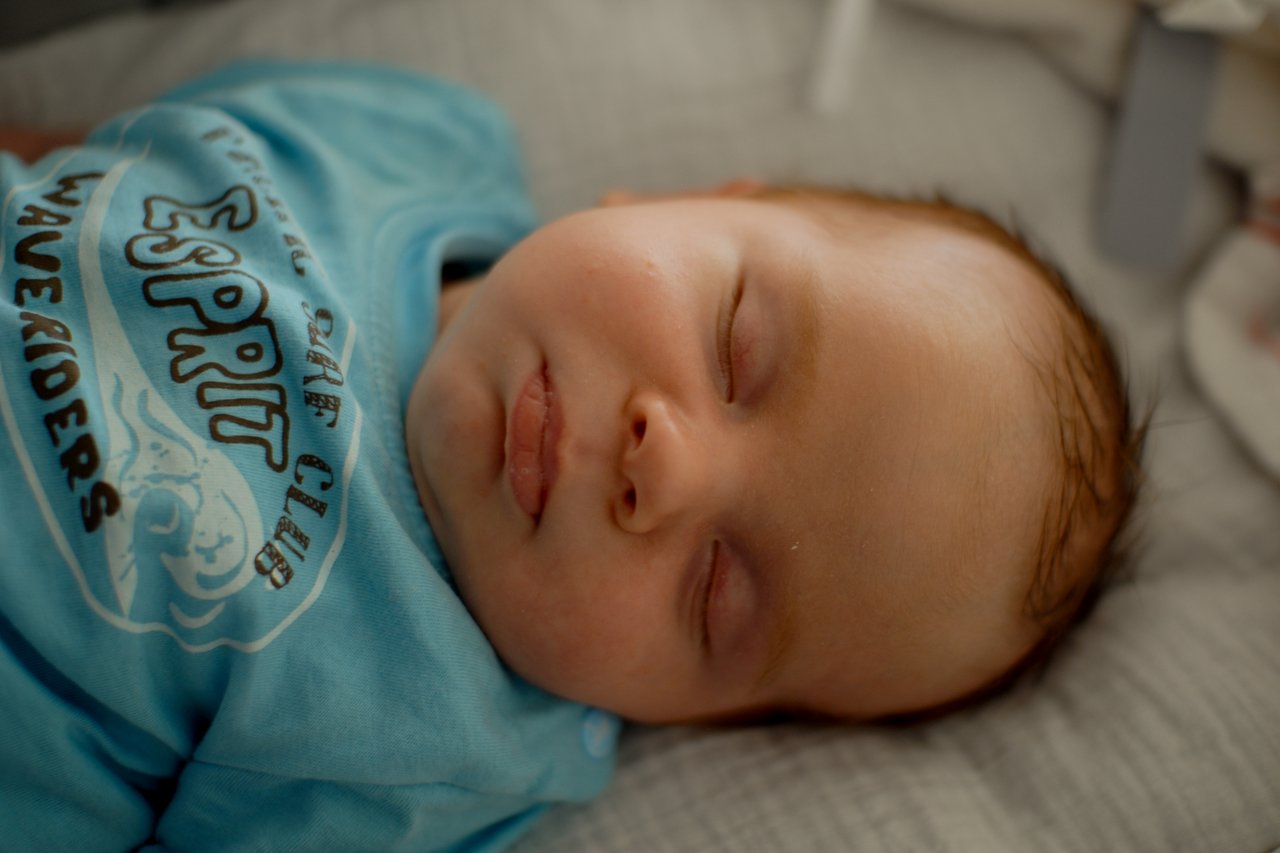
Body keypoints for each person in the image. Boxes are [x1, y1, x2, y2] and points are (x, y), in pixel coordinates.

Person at [0, 60, 1140, 850]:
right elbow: (103, 153)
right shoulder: (408, 142)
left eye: (717, 589)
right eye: (736, 348)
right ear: (685, 200)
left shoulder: (427, 756)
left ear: (676, 716)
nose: (668, 469)